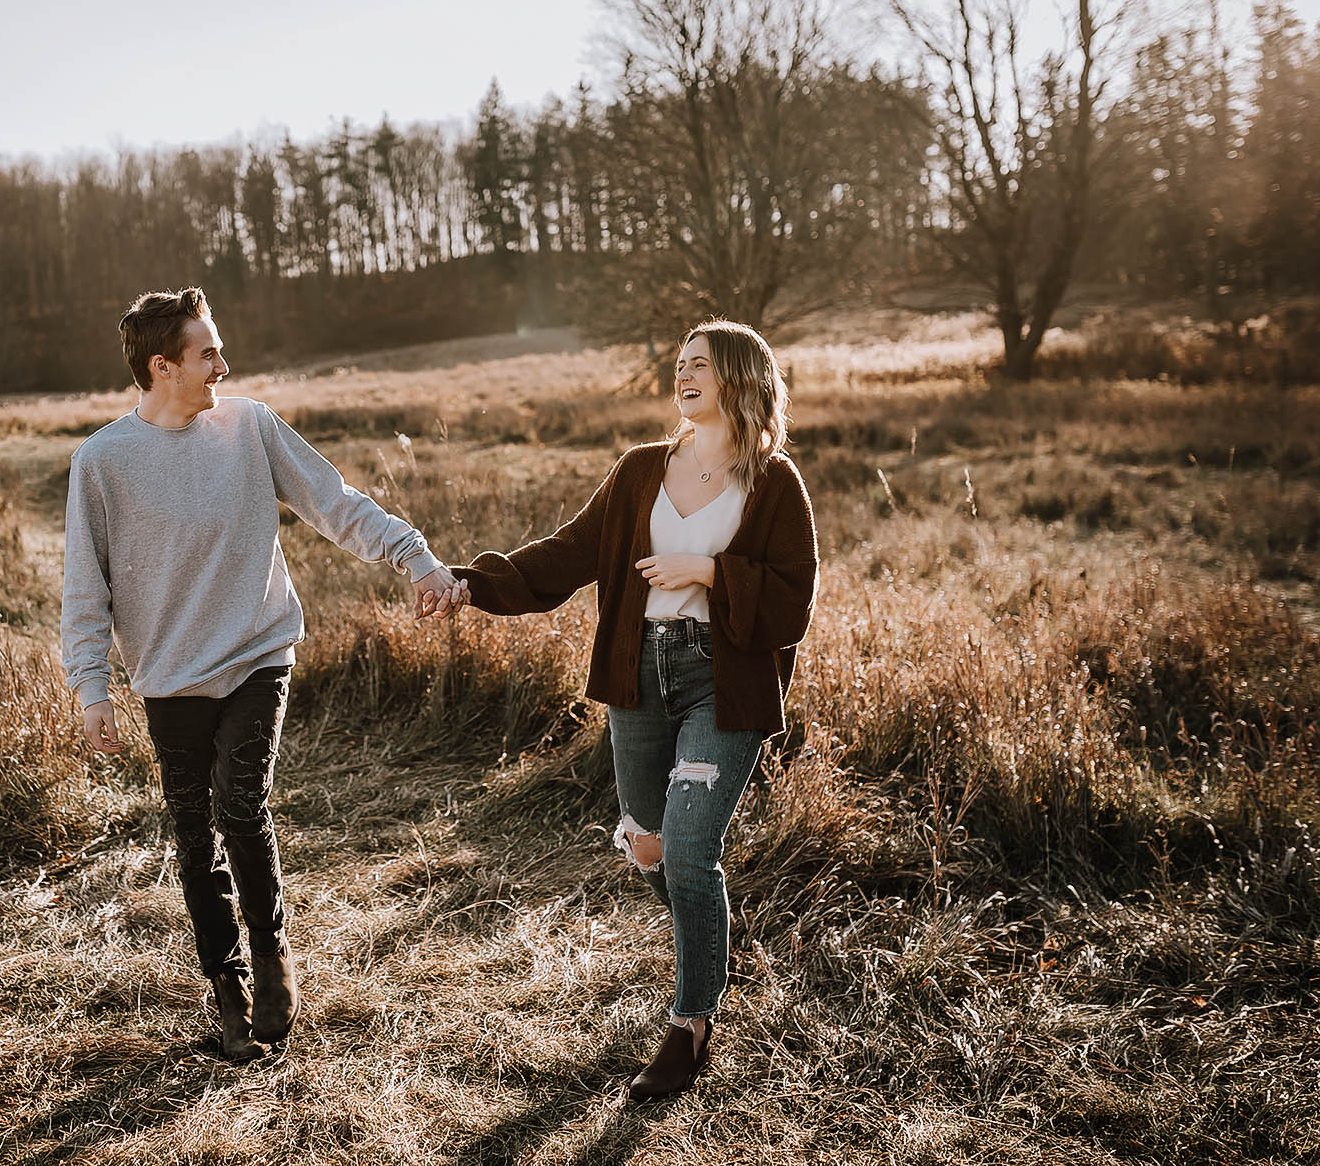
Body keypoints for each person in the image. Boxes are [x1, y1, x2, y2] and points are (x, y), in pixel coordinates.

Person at [62, 287, 467, 1061]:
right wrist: (92, 686)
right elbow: (87, 584)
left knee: (240, 805)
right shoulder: (102, 462)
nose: (225, 362)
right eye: (207, 351)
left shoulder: (251, 426)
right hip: (168, 675)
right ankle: (227, 986)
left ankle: (273, 950)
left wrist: (413, 554)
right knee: (192, 834)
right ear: (162, 366)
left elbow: (334, 502)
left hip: (257, 652)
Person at [450, 319, 817, 1098]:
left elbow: (792, 604)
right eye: (679, 364)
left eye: (701, 366)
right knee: (648, 843)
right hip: (638, 675)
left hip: (723, 678)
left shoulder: (775, 482)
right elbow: (565, 555)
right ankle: (706, 936)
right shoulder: (639, 470)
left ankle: (690, 1024)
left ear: (742, 380)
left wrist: (710, 571)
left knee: (688, 845)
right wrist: (469, 583)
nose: (683, 376)